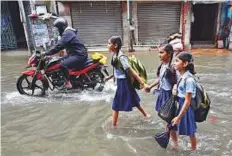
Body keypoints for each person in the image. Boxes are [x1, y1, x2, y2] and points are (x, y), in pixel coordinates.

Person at [105, 36, 150, 127]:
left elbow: (131, 71)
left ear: (115, 45)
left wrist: (142, 83)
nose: (107, 45)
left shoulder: (121, 57)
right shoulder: (115, 55)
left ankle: (114, 125)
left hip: (124, 83)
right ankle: (146, 114)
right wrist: (109, 77)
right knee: (133, 98)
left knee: (116, 104)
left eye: (109, 43)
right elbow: (119, 70)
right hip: (121, 82)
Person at [145, 44, 177, 146]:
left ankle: (175, 145)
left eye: (161, 52)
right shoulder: (162, 66)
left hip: (169, 96)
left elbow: (177, 81)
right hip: (163, 93)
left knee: (169, 121)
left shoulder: (172, 68)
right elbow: (160, 79)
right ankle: (170, 137)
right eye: (159, 52)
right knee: (166, 119)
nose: (159, 55)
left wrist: (175, 88)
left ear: (169, 54)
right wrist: (150, 86)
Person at [45, 17, 88, 89]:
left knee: (62, 65)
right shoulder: (67, 33)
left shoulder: (68, 33)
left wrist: (47, 53)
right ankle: (70, 79)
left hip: (79, 55)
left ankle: (67, 82)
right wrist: (50, 53)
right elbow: (60, 46)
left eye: (58, 29)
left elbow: (59, 46)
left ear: (62, 27)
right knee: (58, 61)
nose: (57, 31)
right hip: (74, 54)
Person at [171, 52, 197, 151]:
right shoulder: (181, 76)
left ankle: (194, 150)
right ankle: (175, 145)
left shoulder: (189, 79)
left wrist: (179, 117)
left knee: (191, 131)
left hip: (186, 108)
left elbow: (187, 101)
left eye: (177, 61)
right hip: (179, 104)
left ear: (185, 64)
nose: (174, 63)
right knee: (172, 125)